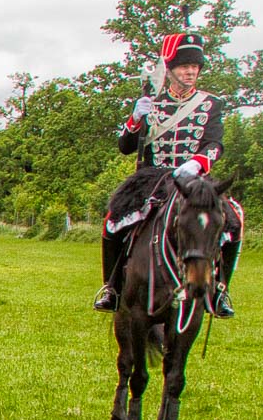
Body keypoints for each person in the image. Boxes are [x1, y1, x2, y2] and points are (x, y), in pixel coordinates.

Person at [95, 32, 240, 317]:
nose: (191, 72)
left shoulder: (210, 104)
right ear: (170, 70)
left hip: (193, 178)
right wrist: (135, 119)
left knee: (234, 218)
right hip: (153, 178)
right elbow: (125, 147)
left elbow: (215, 143)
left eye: (195, 67)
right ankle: (111, 287)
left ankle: (220, 289)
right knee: (114, 218)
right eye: (185, 67)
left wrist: (197, 163)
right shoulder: (152, 101)